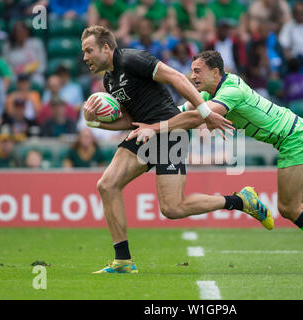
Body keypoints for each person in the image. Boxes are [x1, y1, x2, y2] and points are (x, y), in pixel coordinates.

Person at [128, 50, 303, 273]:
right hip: (300, 132)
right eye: (192, 70)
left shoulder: (230, 91)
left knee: (290, 208)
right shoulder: (211, 95)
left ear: (215, 72)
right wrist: (139, 121)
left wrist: (155, 128)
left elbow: (197, 118)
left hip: (295, 139)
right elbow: (181, 112)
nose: (192, 76)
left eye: (198, 71)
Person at [80, 26, 252, 275]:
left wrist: (204, 113)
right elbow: (128, 120)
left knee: (172, 208)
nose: (85, 57)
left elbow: (178, 78)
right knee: (106, 185)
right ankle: (123, 261)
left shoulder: (132, 59)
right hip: (144, 132)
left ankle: (239, 201)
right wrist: (93, 122)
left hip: (171, 132)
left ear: (106, 48)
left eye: (89, 50)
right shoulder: (109, 80)